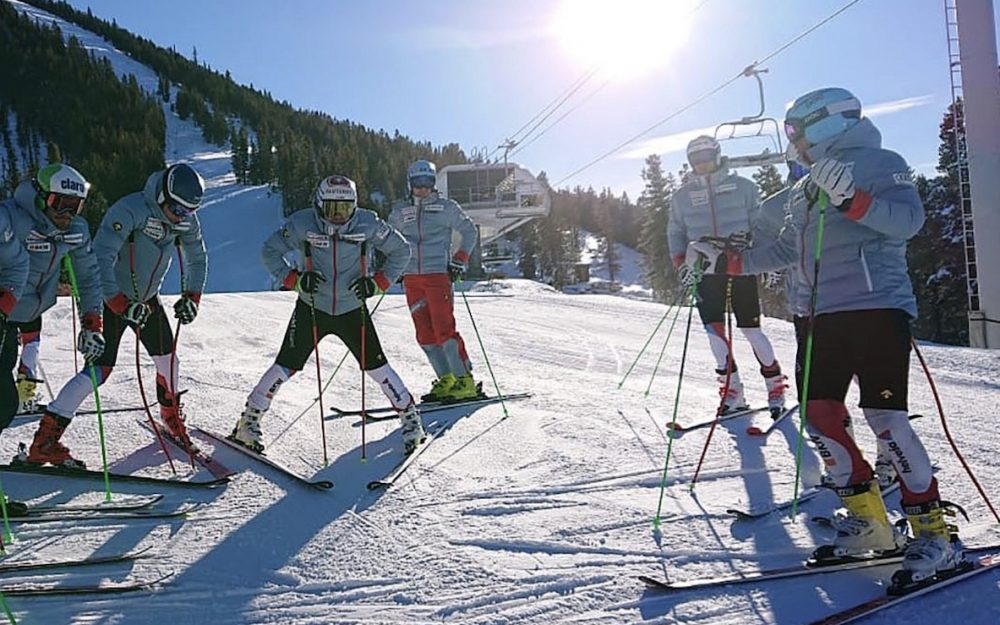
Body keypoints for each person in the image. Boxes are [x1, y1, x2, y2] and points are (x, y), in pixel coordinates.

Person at [692, 87, 961, 587]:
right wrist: (727, 264)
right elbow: (784, 251)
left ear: (826, 124)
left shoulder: (881, 162)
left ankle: (933, 533)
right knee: (819, 417)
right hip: (816, 316)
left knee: (885, 418)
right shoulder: (803, 186)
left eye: (796, 131)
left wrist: (853, 200)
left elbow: (907, 221)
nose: (792, 142)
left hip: (874, 307)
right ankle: (870, 525)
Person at [25, 163, 207, 465]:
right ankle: (45, 440)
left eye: (189, 211)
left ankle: (170, 415)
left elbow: (197, 258)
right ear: (162, 195)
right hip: (112, 299)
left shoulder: (185, 220)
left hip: (146, 301)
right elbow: (100, 258)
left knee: (169, 361)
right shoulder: (129, 209)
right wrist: (120, 304)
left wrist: (192, 297)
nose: (181, 216)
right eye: (176, 208)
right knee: (98, 372)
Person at [231, 174, 426, 455]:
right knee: (285, 366)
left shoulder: (368, 223)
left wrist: (378, 283)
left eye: (345, 210)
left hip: (351, 309)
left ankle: (410, 419)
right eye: (332, 209)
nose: (338, 217)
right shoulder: (302, 223)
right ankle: (248, 422)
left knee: (376, 366)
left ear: (355, 207)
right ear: (319, 205)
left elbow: (401, 251)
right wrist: (294, 280)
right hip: (312, 308)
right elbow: (270, 250)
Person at [668, 135, 787, 416]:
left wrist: (764, 260)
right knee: (714, 332)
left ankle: (775, 385)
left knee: (750, 329)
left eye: (707, 157)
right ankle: (732, 390)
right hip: (704, 269)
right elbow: (674, 230)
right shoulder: (681, 197)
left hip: (739, 265)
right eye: (696, 160)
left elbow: (762, 225)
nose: (702, 164)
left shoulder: (744, 188)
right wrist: (680, 262)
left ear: (718, 155)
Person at [0, 164, 106, 469]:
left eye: (76, 205)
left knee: (3, 402)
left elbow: (88, 277)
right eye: (60, 203)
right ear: (40, 197)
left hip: (31, 309)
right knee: (3, 401)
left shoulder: (75, 231)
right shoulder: (11, 219)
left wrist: (92, 323)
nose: (67, 213)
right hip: (4, 314)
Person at [388, 160, 479, 402]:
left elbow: (470, 231)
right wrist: (393, 263)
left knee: (444, 329)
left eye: (428, 182)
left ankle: (465, 380)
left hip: (438, 276)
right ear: (410, 184)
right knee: (424, 332)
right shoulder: (400, 211)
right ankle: (446, 379)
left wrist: (460, 258)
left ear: (433, 183)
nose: (423, 188)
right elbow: (388, 238)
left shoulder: (446, 208)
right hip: (412, 279)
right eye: (418, 182)